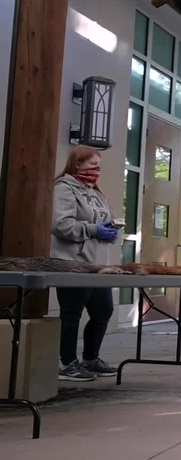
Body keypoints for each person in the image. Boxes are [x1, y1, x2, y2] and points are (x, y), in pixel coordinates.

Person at [51, 145, 120, 382]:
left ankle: (91, 358)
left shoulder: (95, 191)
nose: (96, 171)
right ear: (77, 164)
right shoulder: (64, 188)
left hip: (98, 264)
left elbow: (103, 220)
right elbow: (61, 224)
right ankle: (67, 364)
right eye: (92, 165)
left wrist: (110, 230)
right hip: (73, 262)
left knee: (103, 310)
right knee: (72, 313)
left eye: (99, 166)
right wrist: (93, 230)